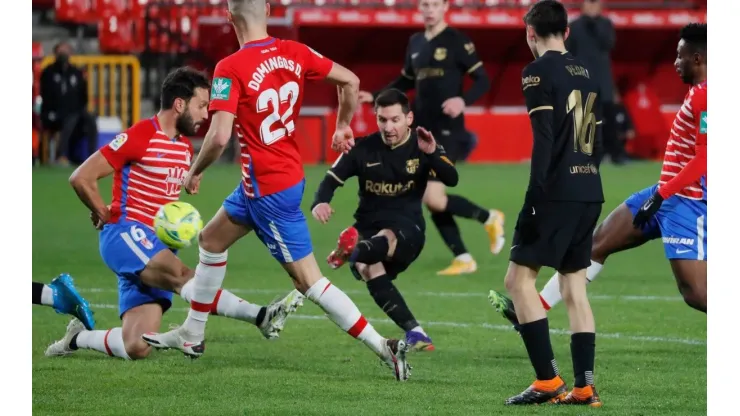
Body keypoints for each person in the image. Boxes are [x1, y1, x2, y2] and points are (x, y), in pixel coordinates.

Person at [141, 0, 411, 381]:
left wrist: (193, 171)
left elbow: (218, 137)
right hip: (267, 180)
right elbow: (350, 81)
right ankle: (192, 333)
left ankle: (384, 347)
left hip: (269, 190)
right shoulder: (294, 52)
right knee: (211, 240)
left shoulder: (229, 67)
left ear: (228, 16)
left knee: (308, 281)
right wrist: (343, 125)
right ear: (268, 10)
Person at [45, 67, 304, 361]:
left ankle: (77, 338)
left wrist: (192, 176)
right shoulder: (142, 134)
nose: (207, 114)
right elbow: (81, 177)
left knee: (137, 345)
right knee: (185, 276)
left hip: (155, 245)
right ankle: (261, 316)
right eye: (202, 105)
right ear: (179, 104)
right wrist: (102, 211)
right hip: (127, 234)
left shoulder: (182, 148)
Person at [489, 23, 707, 327]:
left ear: (697, 59)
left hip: (686, 202)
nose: (674, 62)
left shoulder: (706, 97)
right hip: (663, 195)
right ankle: (534, 307)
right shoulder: (698, 93)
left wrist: (663, 194)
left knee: (697, 293)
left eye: (679, 56)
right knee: (598, 243)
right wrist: (660, 193)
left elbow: (705, 158)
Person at [493, 1, 604, 406]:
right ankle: (584, 386)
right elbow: (597, 139)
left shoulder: (536, 72)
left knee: (517, 282)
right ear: (568, 32)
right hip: (590, 189)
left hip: (555, 192)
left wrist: (534, 197)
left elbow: (543, 140)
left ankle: (546, 381)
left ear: (530, 34)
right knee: (574, 287)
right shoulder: (588, 72)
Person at [358, 0, 504, 276]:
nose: (428, 9)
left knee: (433, 197)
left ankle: (489, 218)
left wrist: (463, 100)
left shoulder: (457, 41)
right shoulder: (415, 42)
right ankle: (463, 256)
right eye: (424, 4)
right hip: (422, 131)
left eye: (434, 4)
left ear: (445, 7)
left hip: (448, 129)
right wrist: (377, 96)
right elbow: (406, 81)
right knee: (429, 196)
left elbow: (483, 80)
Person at [311, 89, 458, 352]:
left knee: (386, 237)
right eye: (382, 120)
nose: (388, 127)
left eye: (395, 120)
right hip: (366, 225)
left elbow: (451, 178)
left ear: (409, 118)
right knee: (370, 269)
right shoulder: (363, 147)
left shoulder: (423, 144)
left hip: (408, 229)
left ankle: (351, 252)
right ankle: (416, 332)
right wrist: (320, 202)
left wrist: (434, 152)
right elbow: (331, 179)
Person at [566, 0, 625, 164]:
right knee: (584, 119)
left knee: (609, 120)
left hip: (603, 80)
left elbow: (609, 44)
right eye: (589, 3)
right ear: (583, 5)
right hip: (583, 79)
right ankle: (583, 155)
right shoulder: (575, 25)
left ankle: (616, 154)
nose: (592, 7)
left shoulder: (606, 25)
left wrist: (595, 25)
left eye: (595, 3)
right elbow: (569, 53)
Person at [40, 41, 98, 166]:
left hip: (76, 111)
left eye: (66, 50)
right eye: (61, 50)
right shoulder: (48, 72)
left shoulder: (76, 73)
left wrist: (82, 108)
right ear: (56, 53)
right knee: (71, 118)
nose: (64, 53)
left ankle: (93, 157)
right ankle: (60, 156)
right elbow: (46, 95)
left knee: (90, 120)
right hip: (55, 112)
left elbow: (83, 95)